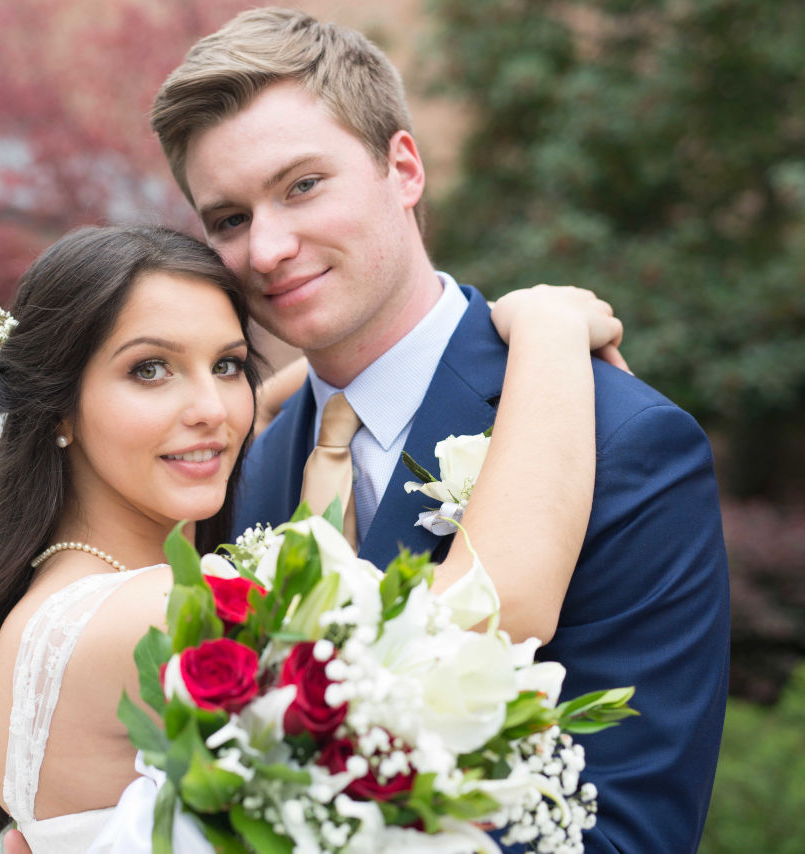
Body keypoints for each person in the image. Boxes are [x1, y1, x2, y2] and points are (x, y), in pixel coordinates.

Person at [144, 8, 729, 853]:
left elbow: (628, 829)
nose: (267, 249)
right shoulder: (241, 463)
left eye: (303, 185)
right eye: (229, 219)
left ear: (404, 167)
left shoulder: (626, 442)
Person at [0, 217, 623, 854]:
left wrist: (321, 387)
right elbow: (497, 604)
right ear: (58, 411)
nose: (212, 410)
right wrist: (549, 333)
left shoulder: (49, 605)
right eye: (149, 369)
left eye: (226, 366)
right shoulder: (154, 615)